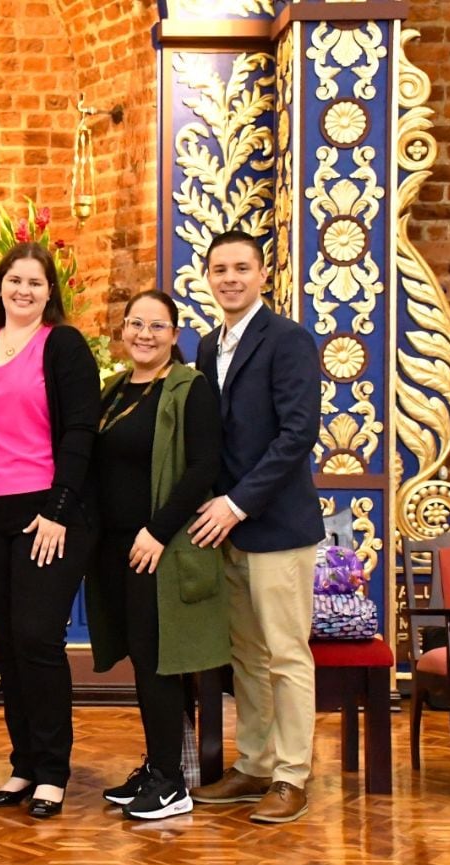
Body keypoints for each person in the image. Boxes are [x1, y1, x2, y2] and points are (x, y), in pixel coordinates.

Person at [0, 242, 99, 819]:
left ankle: (53, 770)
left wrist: (60, 508)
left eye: (35, 283)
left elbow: (82, 429)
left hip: (47, 512)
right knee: (8, 644)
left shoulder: (61, 344)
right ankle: (23, 765)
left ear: (50, 291)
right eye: (14, 280)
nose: (23, 290)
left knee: (39, 638)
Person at [188, 230, 324, 824]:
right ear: (208, 278)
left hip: (276, 526)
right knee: (245, 654)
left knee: (286, 655)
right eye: (220, 270)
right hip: (226, 527)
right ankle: (255, 764)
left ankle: (292, 775)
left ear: (263, 275)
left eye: (241, 268)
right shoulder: (206, 343)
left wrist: (237, 504)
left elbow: (297, 435)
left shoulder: (288, 340)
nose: (230, 279)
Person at [87, 289, 228, 821]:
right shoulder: (115, 389)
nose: (144, 334)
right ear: (123, 331)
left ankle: (172, 782)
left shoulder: (190, 389)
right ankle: (156, 766)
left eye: (157, 326)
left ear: (175, 334)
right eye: (135, 324)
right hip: (117, 546)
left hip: (158, 548)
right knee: (143, 662)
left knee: (160, 664)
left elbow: (202, 469)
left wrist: (157, 530)